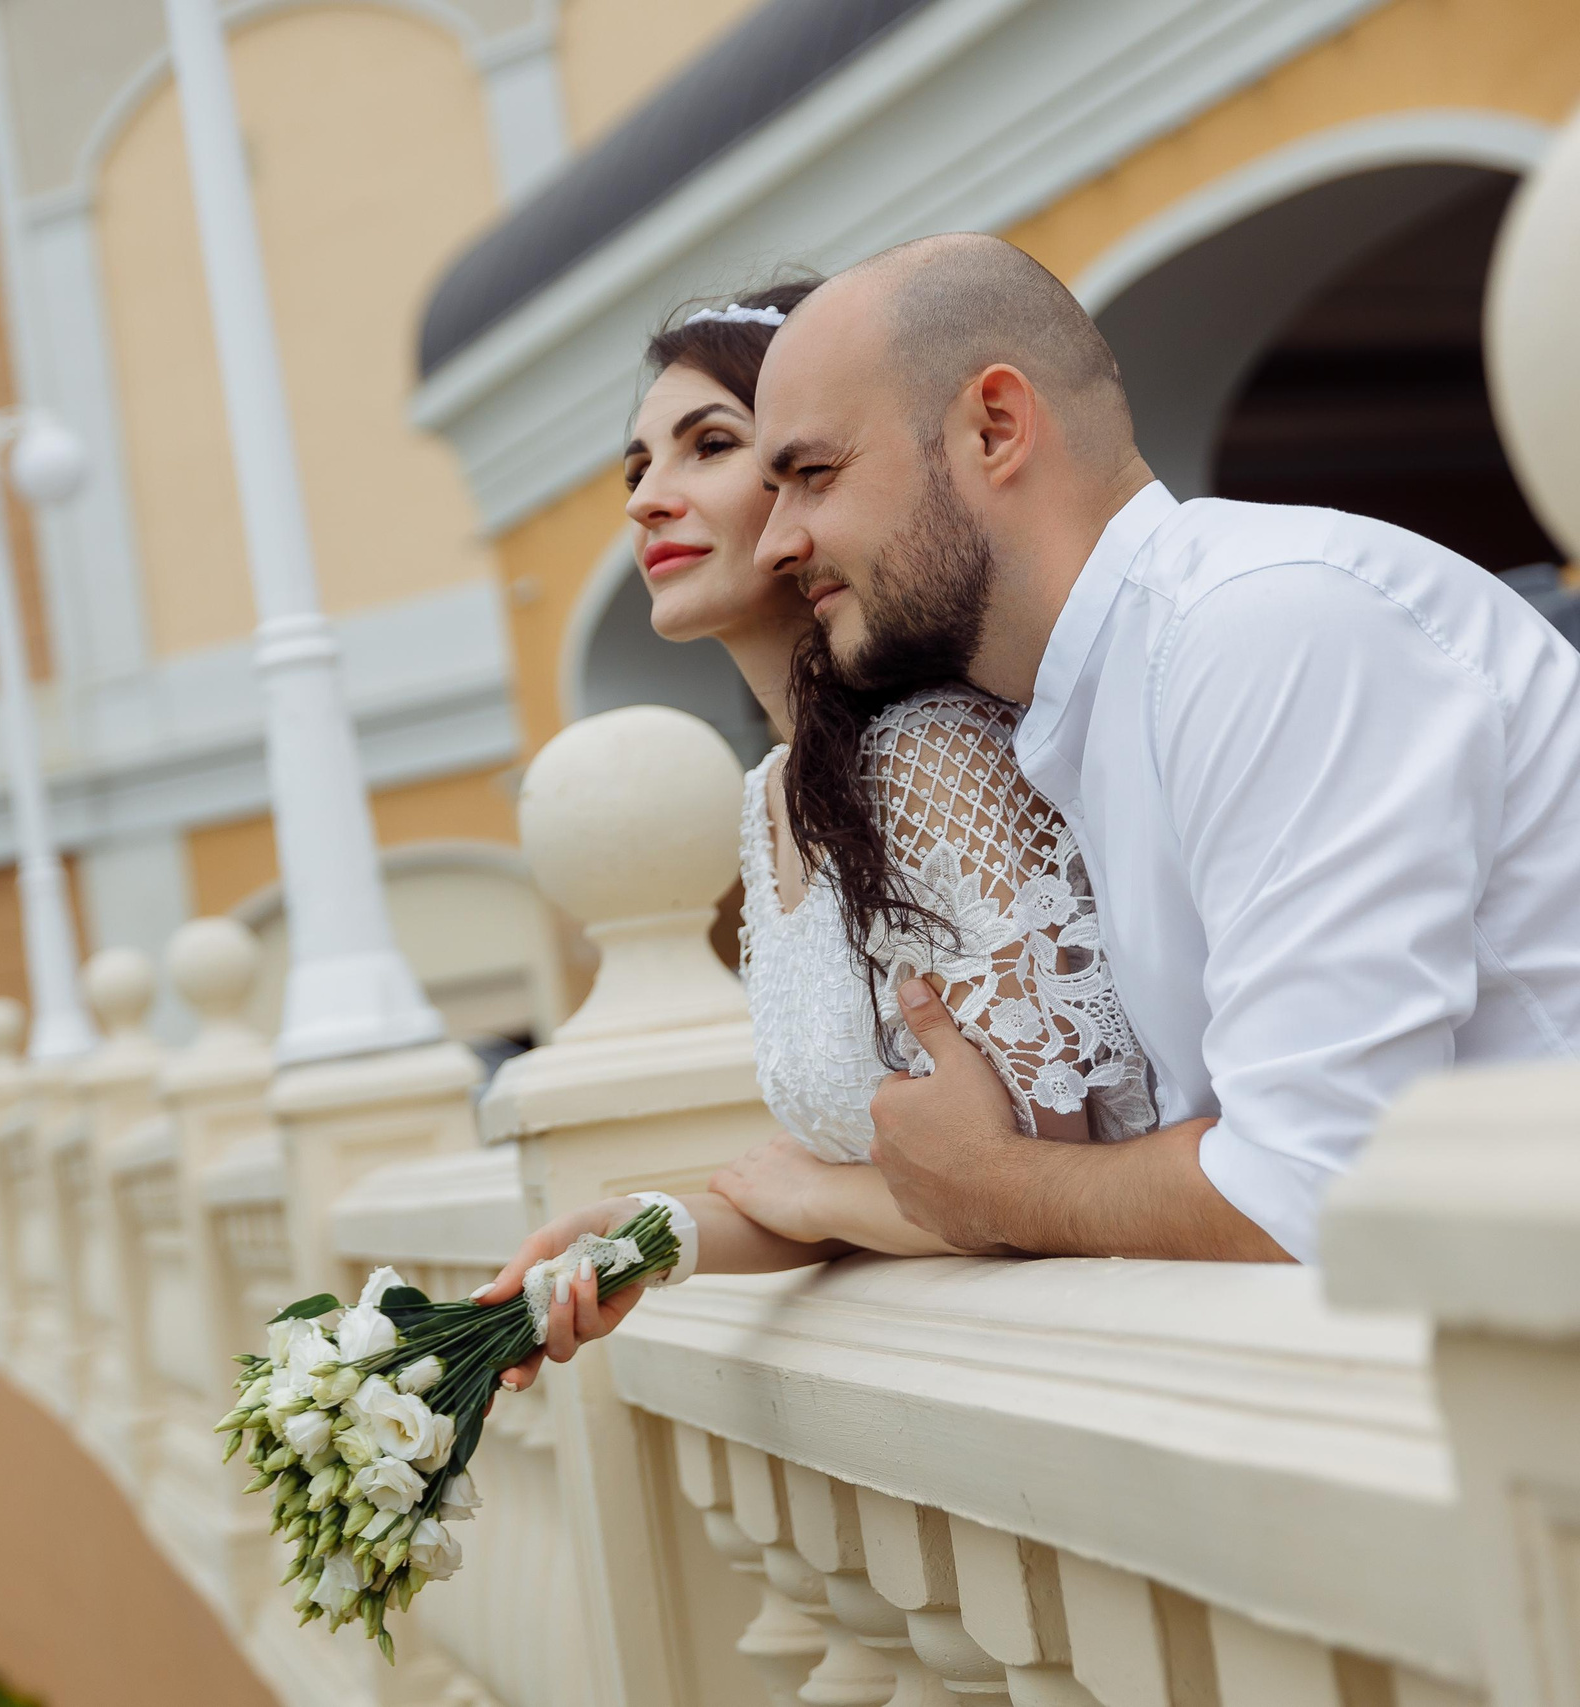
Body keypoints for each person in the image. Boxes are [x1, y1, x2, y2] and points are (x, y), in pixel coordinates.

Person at [745, 232, 1580, 1268]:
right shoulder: (1096, 701)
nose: (772, 542)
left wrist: (989, 1186)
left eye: (813, 473)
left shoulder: (1262, 627)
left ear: (994, 429)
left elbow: (1323, 1192)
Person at [476, 279, 1159, 1386]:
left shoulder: (937, 755)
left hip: (1092, 1357)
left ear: (803, 478)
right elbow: (887, 1184)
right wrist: (647, 1234)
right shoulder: (769, 801)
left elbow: (1050, 1178)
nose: (648, 498)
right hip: (954, 1370)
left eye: (708, 445)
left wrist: (821, 1191)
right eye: (637, 467)